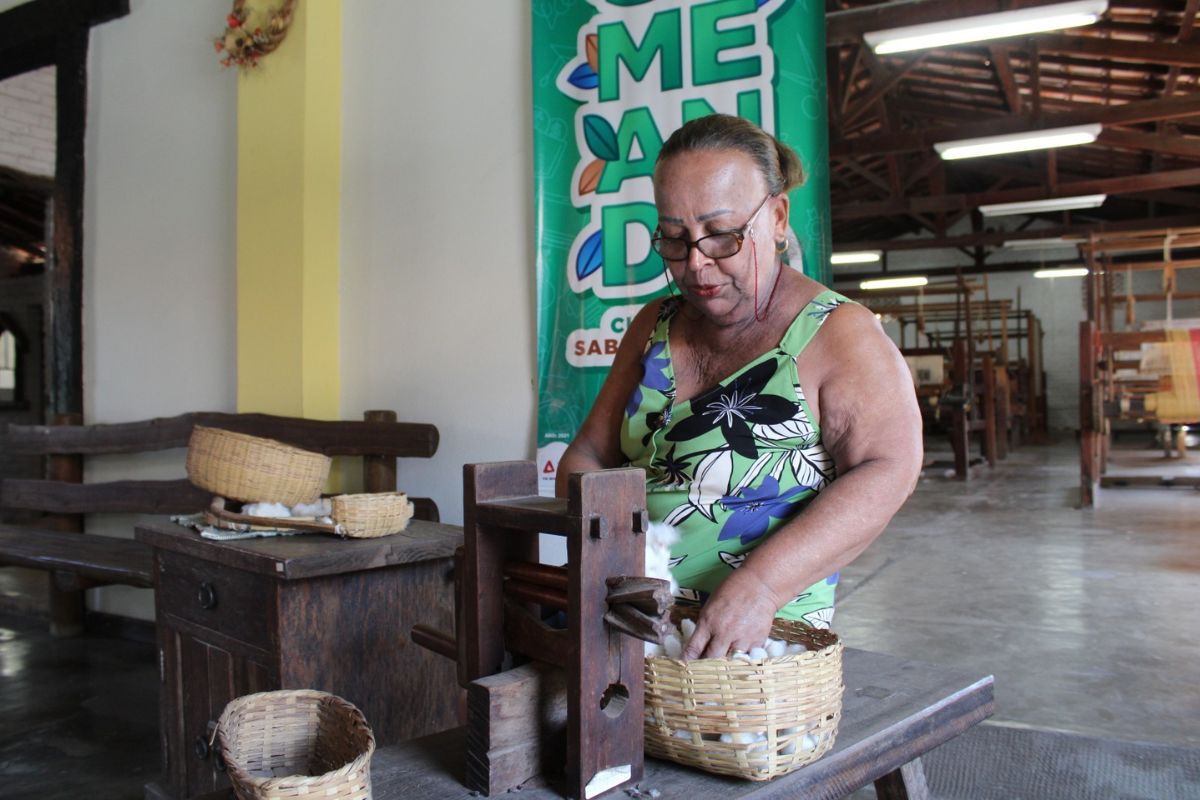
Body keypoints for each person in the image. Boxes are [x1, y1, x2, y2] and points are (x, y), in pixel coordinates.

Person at [556, 114, 922, 659]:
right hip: (632, 618)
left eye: (722, 236)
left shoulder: (835, 334)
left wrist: (762, 587)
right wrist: (613, 554)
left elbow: (890, 467)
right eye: (675, 240)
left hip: (755, 639)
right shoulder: (654, 324)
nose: (697, 265)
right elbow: (588, 452)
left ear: (776, 217)